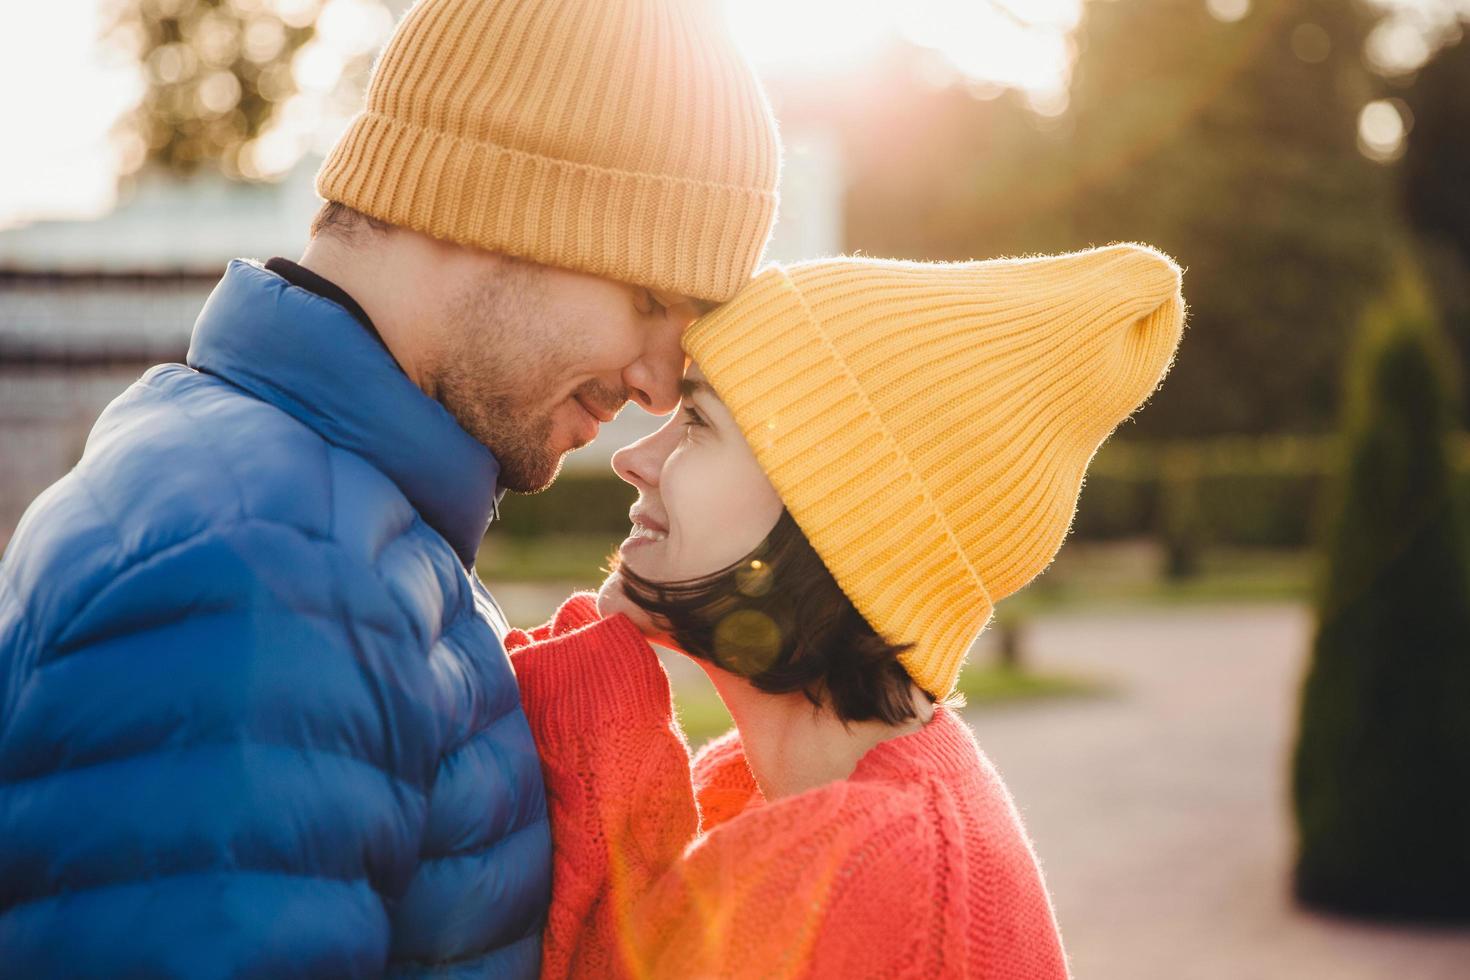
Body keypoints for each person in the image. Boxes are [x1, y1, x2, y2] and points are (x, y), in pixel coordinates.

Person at [0, 0, 778, 974]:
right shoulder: (265, 562)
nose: (660, 383)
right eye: (652, 300)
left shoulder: (333, 518)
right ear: (493, 201)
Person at [505, 244, 1188, 978]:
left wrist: (593, 734)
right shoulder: (783, 805)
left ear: (838, 518)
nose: (632, 458)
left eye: (698, 423)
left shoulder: (887, 885)